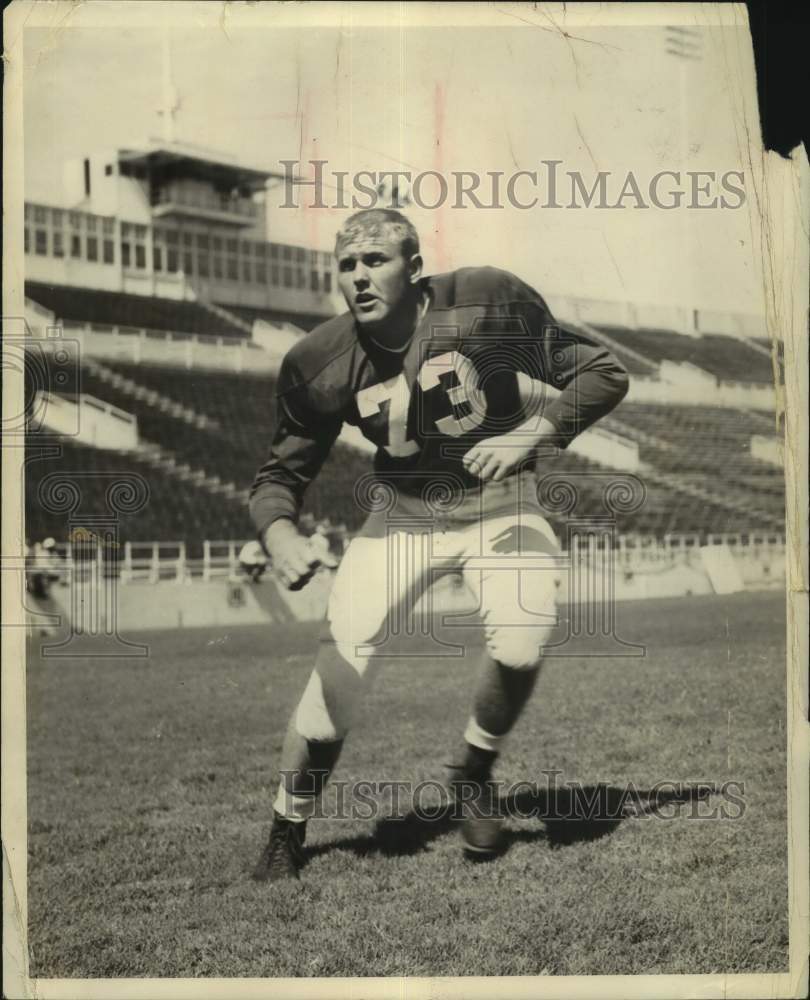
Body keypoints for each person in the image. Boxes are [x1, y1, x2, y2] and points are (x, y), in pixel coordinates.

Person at [249, 208, 629, 881]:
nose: (359, 277)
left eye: (376, 262)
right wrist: (279, 533)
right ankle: (287, 825)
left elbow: (603, 372)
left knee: (521, 640)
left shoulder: (484, 300)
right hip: (402, 515)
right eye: (347, 265)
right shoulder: (318, 360)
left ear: (415, 268)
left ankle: (472, 770)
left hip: (500, 502)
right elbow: (280, 476)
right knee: (335, 688)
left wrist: (530, 433)